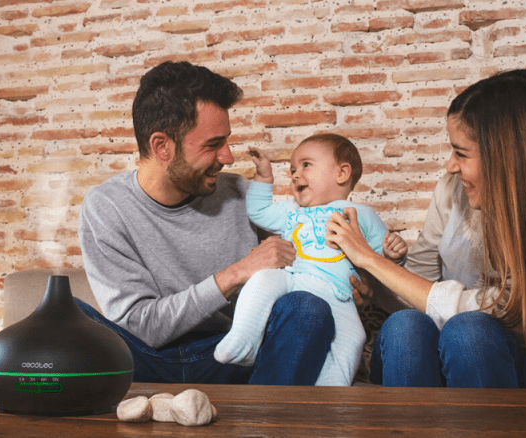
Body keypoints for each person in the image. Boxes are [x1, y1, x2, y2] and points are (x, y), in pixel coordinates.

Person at [76, 60, 335, 385]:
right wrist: (236, 273)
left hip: (233, 352)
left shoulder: (241, 194)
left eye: (226, 141)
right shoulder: (106, 207)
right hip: (144, 358)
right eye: (213, 145)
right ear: (162, 147)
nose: (228, 157)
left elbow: (303, 260)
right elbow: (144, 326)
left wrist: (340, 277)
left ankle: (261, 413)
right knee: (64, 317)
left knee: (307, 309)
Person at [327, 68, 526, 388]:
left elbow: (504, 312)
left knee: (469, 332)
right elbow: (418, 291)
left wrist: (370, 259)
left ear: (507, 158)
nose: (450, 165)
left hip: (519, 366)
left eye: (461, 153)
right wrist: (374, 287)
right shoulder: (452, 190)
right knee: (404, 326)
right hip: (445, 354)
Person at [213, 134, 407, 386]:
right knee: (260, 280)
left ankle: (331, 388)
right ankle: (243, 341)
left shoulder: (361, 215)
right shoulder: (292, 211)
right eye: (293, 169)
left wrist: (394, 254)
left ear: (342, 173)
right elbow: (259, 212)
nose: (295, 175)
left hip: (338, 294)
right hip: (291, 279)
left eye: (306, 165)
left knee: (353, 337)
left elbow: (380, 261)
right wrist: (263, 177)